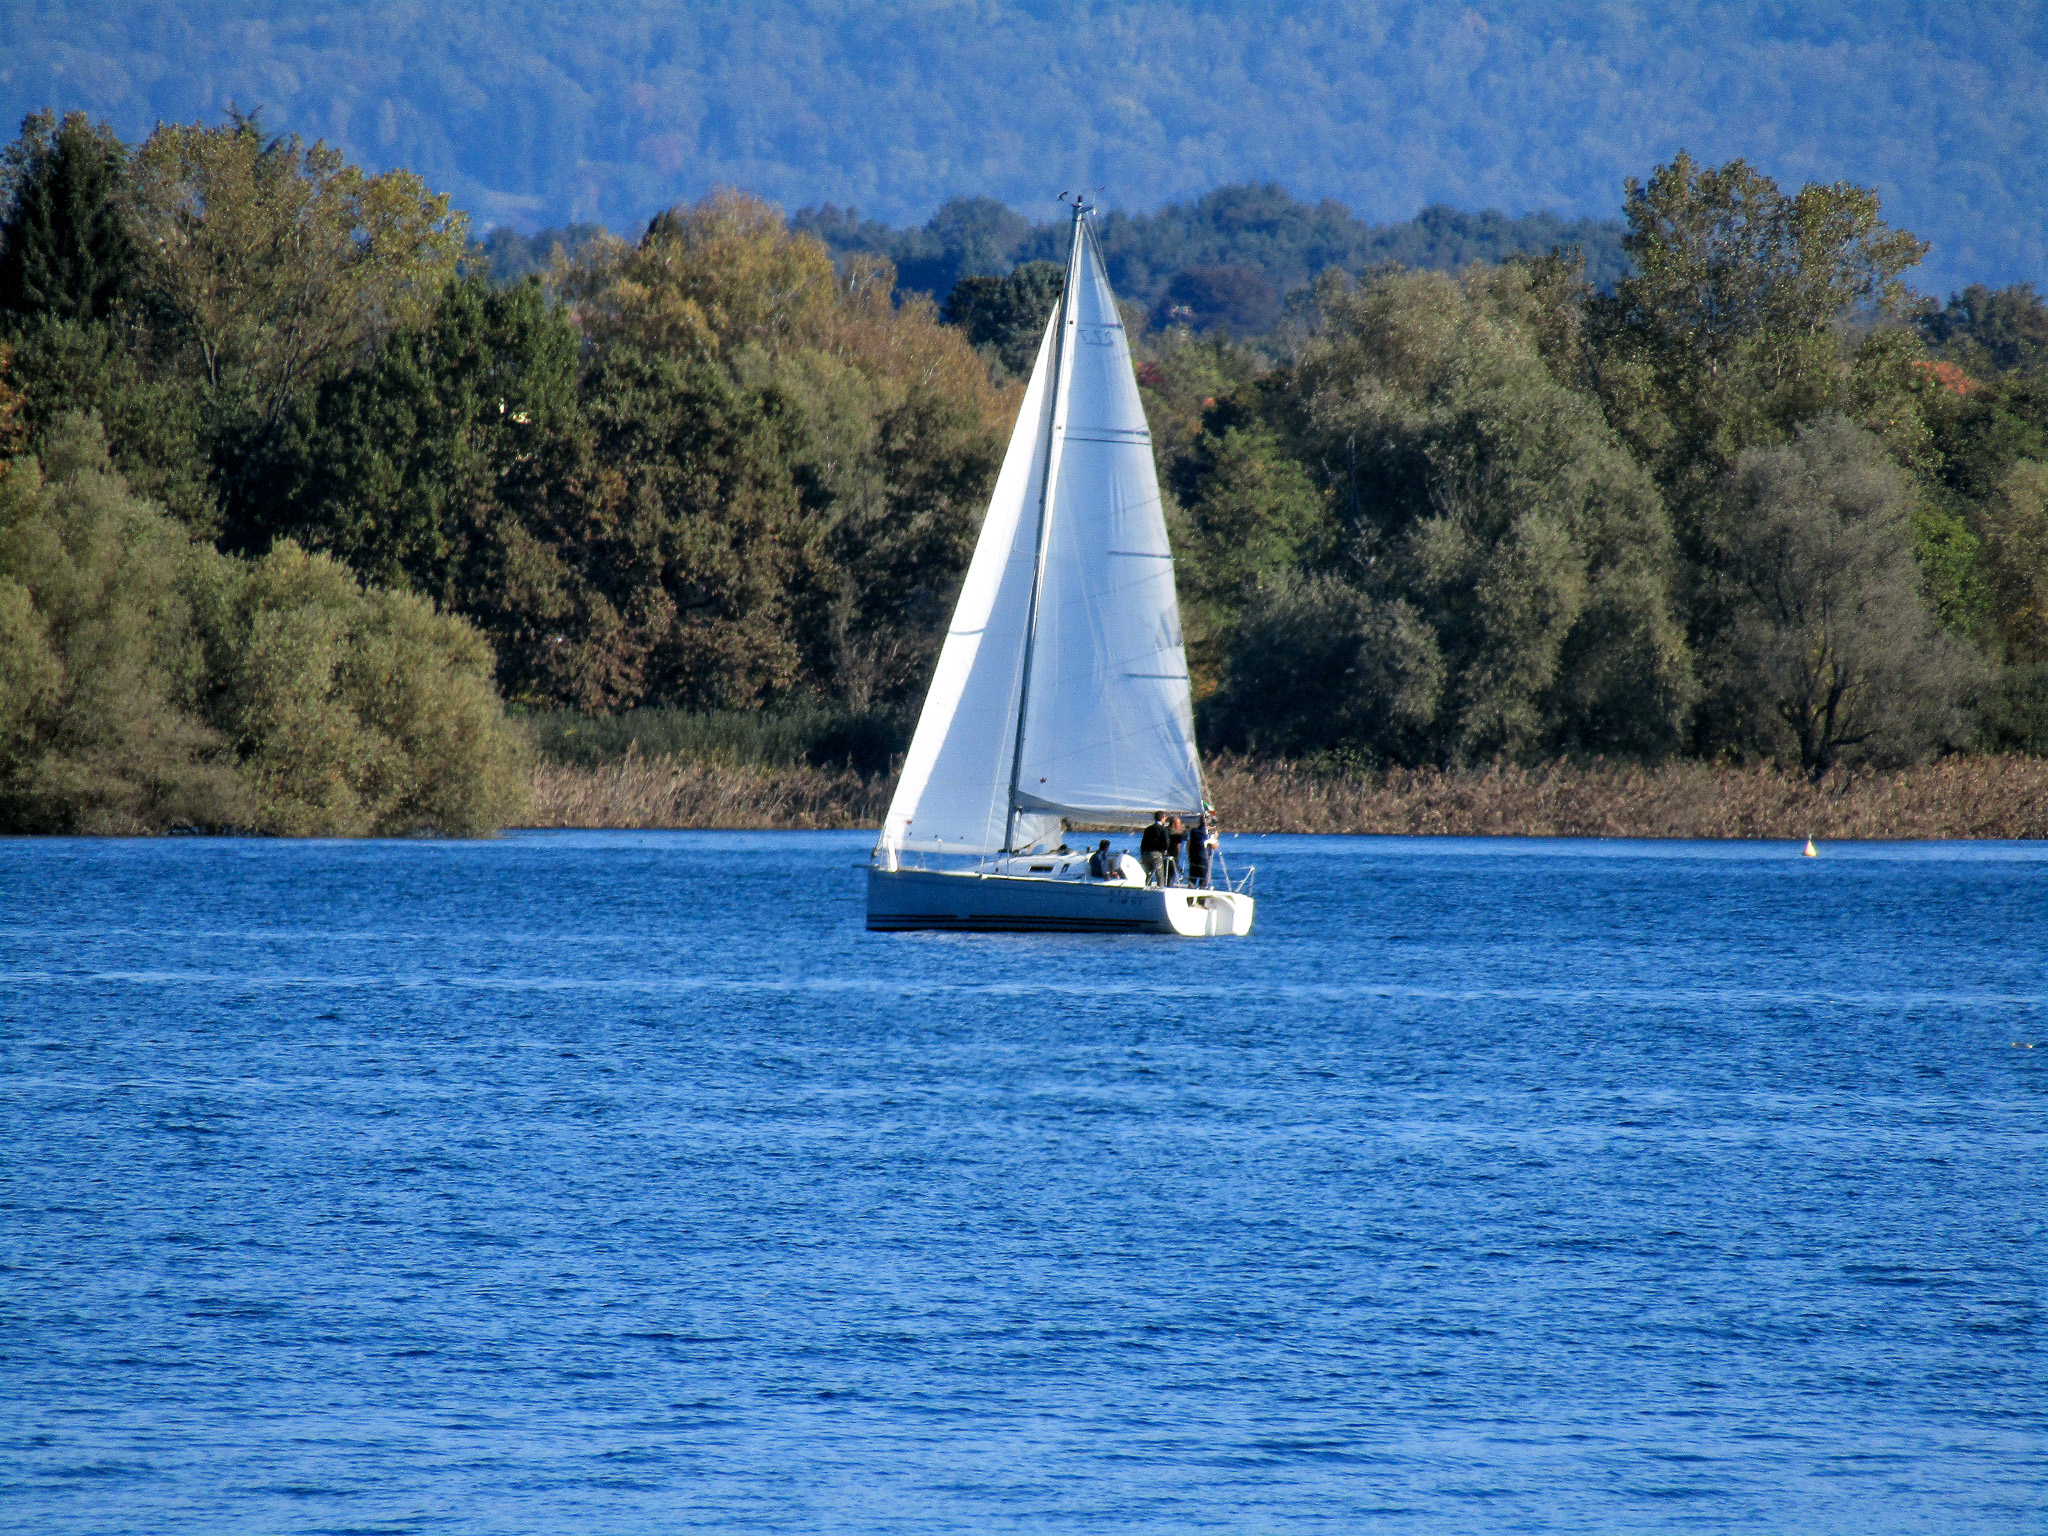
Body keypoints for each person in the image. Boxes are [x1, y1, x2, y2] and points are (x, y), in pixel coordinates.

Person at [1139, 811, 1170, 887]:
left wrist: (1142, 854)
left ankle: (1147, 888)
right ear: (1162, 818)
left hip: (1146, 853)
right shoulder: (1163, 829)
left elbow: (1143, 843)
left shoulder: (1148, 829)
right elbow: (1166, 841)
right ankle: (1160, 889)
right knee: (1159, 875)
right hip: (1156, 853)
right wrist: (1165, 850)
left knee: (1149, 874)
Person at [1186, 814, 1215, 889]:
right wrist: (1215, 837)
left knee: (1192, 878)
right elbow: (1215, 846)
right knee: (1203, 880)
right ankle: (1202, 896)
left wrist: (1189, 856)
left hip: (1193, 858)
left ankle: (1190, 895)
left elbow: (1188, 845)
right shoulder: (1209, 834)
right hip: (1203, 858)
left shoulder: (1192, 832)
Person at [1165, 815, 1186, 887]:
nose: (1179, 825)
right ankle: (1168, 885)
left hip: (1176, 855)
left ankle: (1169, 884)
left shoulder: (1180, 832)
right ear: (1173, 823)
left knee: (1172, 871)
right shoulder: (1168, 831)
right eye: (1178, 823)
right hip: (1170, 854)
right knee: (1170, 871)